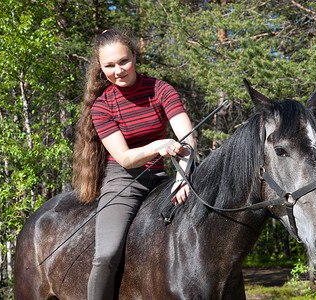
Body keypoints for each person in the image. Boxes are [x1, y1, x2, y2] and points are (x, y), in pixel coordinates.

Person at [72, 28, 196, 300]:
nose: (118, 70)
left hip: (164, 177)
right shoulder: (102, 106)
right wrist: (157, 146)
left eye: (123, 61)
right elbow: (126, 157)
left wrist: (182, 178)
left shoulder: (160, 90)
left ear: (134, 57)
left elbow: (187, 139)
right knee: (107, 255)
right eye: (109, 65)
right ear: (100, 67)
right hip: (124, 179)